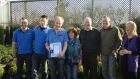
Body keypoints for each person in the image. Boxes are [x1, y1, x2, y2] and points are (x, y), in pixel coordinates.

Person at [32, 15, 50, 79]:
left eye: (44, 21)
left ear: (47, 22)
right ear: (39, 21)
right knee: (34, 72)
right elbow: (32, 39)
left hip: (45, 55)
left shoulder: (50, 31)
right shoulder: (36, 28)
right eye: (41, 21)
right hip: (35, 54)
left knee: (45, 72)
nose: (42, 22)